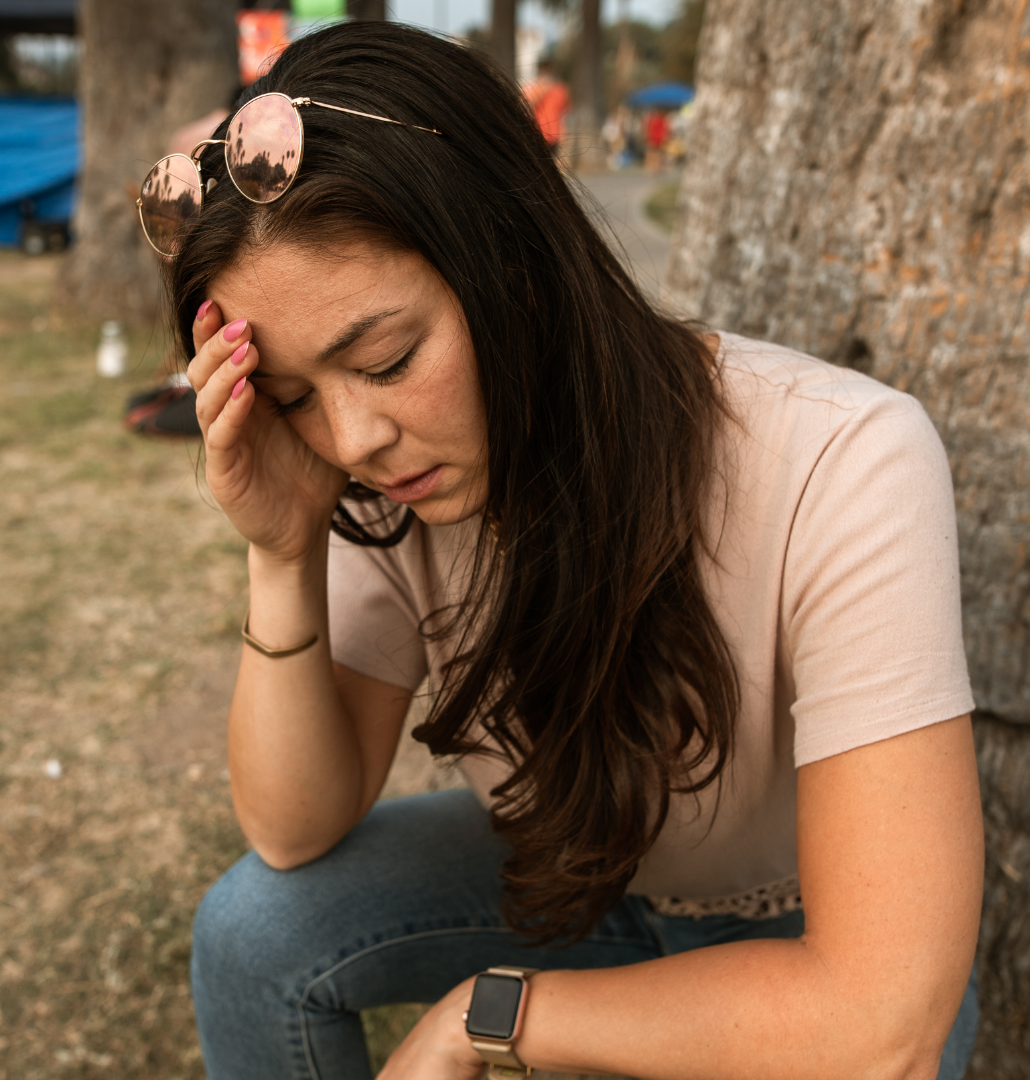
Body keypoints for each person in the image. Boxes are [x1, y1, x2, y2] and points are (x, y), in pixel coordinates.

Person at [150, 21, 982, 1080]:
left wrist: (488, 1014)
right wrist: (282, 550)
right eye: (296, 395)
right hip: (581, 891)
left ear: (516, 262)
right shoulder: (381, 479)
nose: (353, 439)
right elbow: (292, 830)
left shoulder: (845, 458)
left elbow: (881, 1025)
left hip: (810, 934)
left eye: (390, 358)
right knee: (255, 934)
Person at [524, 57, 570, 159]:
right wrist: (542, 88)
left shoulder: (560, 89)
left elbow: (564, 113)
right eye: (543, 69)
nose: (546, 72)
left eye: (548, 69)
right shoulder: (531, 88)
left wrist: (563, 133)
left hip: (554, 136)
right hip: (536, 133)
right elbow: (526, 106)